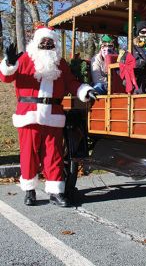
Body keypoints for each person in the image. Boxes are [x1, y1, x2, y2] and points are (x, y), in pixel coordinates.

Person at [0, 26, 97, 207]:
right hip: (29, 114)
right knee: (29, 154)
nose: (47, 44)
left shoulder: (60, 63)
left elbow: (70, 83)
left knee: (54, 155)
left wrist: (85, 90)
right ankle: (29, 190)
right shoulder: (24, 59)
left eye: (50, 41)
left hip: (53, 115)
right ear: (37, 42)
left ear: (54, 44)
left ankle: (56, 192)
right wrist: (9, 63)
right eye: (43, 41)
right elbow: (5, 78)